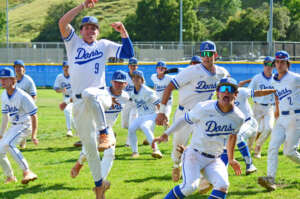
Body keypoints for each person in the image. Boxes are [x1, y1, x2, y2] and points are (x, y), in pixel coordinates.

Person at [58, 0, 134, 198]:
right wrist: (82, 6)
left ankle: (105, 132)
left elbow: (128, 53)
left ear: (98, 32)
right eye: (86, 27)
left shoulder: (104, 45)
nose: (90, 30)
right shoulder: (73, 43)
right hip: (79, 104)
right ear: (81, 30)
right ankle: (100, 185)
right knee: (90, 148)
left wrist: (123, 31)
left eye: (94, 28)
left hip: (101, 95)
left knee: (90, 93)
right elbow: (62, 23)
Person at [153, 77, 244, 199]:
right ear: (217, 93)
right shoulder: (204, 108)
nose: (226, 92)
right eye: (223, 88)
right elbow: (183, 120)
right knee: (189, 187)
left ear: (236, 94)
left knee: (223, 185)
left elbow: (233, 137)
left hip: (214, 159)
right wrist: (166, 134)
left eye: (230, 89)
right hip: (195, 155)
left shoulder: (238, 117)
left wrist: (231, 159)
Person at [156, 41, 229, 182]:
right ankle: (176, 164)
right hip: (184, 113)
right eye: (203, 54)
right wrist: (162, 111)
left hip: (204, 116)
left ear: (216, 54)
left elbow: (227, 90)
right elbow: (169, 88)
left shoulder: (222, 72)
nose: (206, 57)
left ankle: (203, 177)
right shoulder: (191, 71)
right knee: (178, 144)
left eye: (209, 54)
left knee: (204, 145)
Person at [70, 70, 129, 180]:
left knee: (110, 153)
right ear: (111, 82)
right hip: (94, 125)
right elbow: (84, 96)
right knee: (89, 152)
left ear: (126, 84)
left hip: (108, 128)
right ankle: (79, 163)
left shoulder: (125, 97)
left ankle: (101, 181)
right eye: (116, 82)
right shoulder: (102, 92)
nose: (119, 85)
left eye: (121, 82)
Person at [258, 51, 300, 191]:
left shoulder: (295, 78)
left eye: (283, 62)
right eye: (277, 62)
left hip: (295, 117)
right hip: (281, 117)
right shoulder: (274, 79)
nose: (279, 64)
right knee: (272, 147)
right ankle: (270, 179)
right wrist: (276, 108)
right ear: (274, 63)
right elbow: (276, 94)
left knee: (289, 152)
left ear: (288, 63)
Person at [0, 68, 38, 184]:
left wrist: (34, 135)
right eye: (1, 79)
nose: (2, 81)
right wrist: (1, 133)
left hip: (25, 125)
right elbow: (5, 117)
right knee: (0, 149)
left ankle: (27, 171)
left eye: (5, 79)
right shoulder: (4, 95)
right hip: (14, 126)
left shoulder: (23, 96)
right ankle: (10, 176)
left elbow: (34, 116)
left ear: (13, 80)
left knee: (9, 144)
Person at [234, 86, 276, 175]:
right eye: (222, 88)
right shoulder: (219, 99)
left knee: (239, 137)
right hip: (235, 126)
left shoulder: (241, 92)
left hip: (249, 123)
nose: (225, 90)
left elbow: (259, 92)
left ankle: (250, 165)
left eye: (229, 87)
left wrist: (273, 90)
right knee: (225, 147)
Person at [128, 70, 163, 158]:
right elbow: (132, 102)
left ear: (142, 80)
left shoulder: (148, 91)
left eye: (138, 77)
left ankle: (156, 150)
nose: (135, 79)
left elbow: (158, 104)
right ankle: (135, 152)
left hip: (151, 115)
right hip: (141, 116)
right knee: (131, 128)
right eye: (134, 77)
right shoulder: (132, 92)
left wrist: (162, 116)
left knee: (145, 126)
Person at [248, 56, 276, 158]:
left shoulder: (275, 79)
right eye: (266, 64)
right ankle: (248, 148)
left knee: (269, 128)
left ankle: (258, 148)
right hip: (257, 106)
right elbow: (249, 91)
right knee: (253, 130)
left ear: (274, 66)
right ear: (263, 65)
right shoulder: (257, 78)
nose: (268, 66)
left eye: (271, 64)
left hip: (269, 107)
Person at [13, 59, 37, 149]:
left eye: (20, 67)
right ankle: (22, 139)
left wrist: (30, 108)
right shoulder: (13, 80)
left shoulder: (28, 80)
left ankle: (24, 139)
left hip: (26, 107)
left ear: (24, 69)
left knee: (24, 124)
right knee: (15, 123)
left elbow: (34, 95)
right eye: (16, 67)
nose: (18, 69)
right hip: (16, 106)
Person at [53, 61, 74, 137]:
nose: (66, 68)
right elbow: (56, 88)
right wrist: (61, 90)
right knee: (67, 111)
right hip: (66, 98)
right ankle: (69, 130)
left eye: (68, 67)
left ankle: (77, 130)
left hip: (75, 97)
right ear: (63, 68)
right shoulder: (59, 77)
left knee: (75, 115)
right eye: (65, 67)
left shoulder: (74, 76)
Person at [122, 58, 139, 146]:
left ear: (137, 66)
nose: (133, 67)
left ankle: (129, 142)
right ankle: (138, 127)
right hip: (126, 102)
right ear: (128, 66)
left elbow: (143, 89)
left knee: (131, 122)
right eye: (131, 65)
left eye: (134, 65)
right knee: (125, 124)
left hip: (135, 103)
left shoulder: (140, 75)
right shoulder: (124, 76)